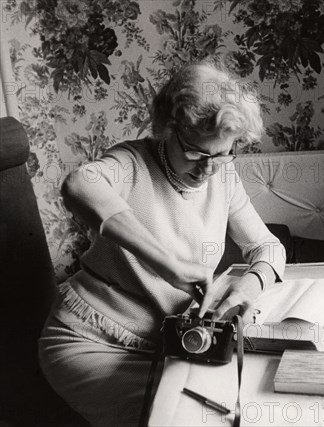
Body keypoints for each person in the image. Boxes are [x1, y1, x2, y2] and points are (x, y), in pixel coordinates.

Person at [38, 58, 286, 426]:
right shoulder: (130, 162)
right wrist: (169, 266)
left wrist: (252, 282)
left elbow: (268, 247)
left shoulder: (223, 175)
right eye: (194, 152)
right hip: (90, 341)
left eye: (222, 153)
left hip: (170, 346)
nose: (208, 169)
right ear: (166, 129)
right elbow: (78, 185)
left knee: (241, 408)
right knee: (186, 418)